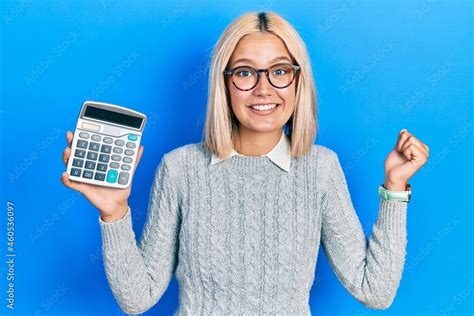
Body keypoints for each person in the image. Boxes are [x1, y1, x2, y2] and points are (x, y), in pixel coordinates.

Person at [61, 11, 429, 315]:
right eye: (245, 73)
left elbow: (375, 292)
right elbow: (137, 299)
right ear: (224, 84)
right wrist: (115, 213)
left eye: (280, 71)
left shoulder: (320, 168)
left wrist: (395, 190)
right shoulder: (180, 169)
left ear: (298, 82)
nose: (264, 89)